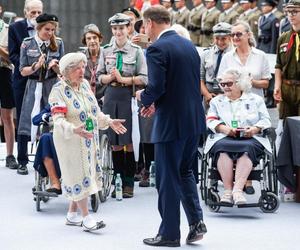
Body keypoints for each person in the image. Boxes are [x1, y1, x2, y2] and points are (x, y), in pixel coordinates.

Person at [136, 6, 207, 247]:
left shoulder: (156, 48)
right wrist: (156, 102)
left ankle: (169, 234)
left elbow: (156, 86)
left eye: (144, 25)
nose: (144, 30)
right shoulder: (189, 45)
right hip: (194, 120)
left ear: (150, 24)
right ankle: (197, 222)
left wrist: (143, 97)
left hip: (171, 124)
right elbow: (183, 84)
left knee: (166, 179)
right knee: (186, 172)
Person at [49, 52, 127, 231]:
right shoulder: (58, 90)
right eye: (77, 68)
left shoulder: (84, 85)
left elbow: (95, 112)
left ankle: (71, 215)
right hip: (70, 140)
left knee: (85, 173)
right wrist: (73, 129)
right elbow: (58, 120)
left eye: (83, 67)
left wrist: (109, 121)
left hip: (88, 138)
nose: (81, 71)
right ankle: (86, 217)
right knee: (78, 175)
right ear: (67, 71)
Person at [97, 13, 148, 198]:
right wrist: (109, 78)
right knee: (114, 141)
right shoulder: (105, 50)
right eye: (115, 28)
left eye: (122, 28)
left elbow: (144, 78)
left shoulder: (136, 51)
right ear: (112, 29)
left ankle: (128, 183)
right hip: (111, 95)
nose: (118, 32)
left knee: (129, 141)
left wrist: (124, 80)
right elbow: (98, 76)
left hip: (128, 96)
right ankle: (117, 179)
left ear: (128, 28)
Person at [206, 68, 272, 204]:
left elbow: (266, 120)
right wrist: (223, 128)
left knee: (247, 149)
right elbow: (210, 120)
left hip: (251, 138)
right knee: (222, 148)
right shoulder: (216, 101)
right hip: (225, 137)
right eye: (222, 84)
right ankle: (228, 191)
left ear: (240, 83)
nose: (225, 87)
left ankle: (237, 191)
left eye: (228, 84)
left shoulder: (255, 99)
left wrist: (254, 129)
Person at [18, 13, 64, 175]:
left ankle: (46, 159)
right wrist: (36, 67)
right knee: (26, 120)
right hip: (33, 84)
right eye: (47, 29)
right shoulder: (27, 43)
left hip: (51, 85)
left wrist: (55, 66)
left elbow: (63, 72)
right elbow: (22, 70)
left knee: (49, 119)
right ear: (38, 28)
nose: (50, 33)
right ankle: (22, 161)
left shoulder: (58, 43)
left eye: (52, 30)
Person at [8, 0, 43, 175]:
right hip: (23, 81)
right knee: (23, 118)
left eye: (39, 12)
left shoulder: (48, 27)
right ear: (26, 12)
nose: (36, 16)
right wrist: (28, 66)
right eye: (33, 12)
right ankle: (22, 160)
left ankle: (44, 159)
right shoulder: (15, 28)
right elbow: (12, 54)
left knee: (45, 119)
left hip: (45, 81)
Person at [218, 21, 271, 98]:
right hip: (233, 104)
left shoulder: (261, 55)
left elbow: (266, 83)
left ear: (249, 35)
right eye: (232, 35)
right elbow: (221, 81)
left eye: (239, 34)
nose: (235, 37)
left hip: (255, 103)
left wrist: (251, 82)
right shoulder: (227, 57)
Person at [274, 0, 300, 119]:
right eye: (288, 11)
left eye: (295, 11)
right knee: (286, 126)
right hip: (286, 88)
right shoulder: (283, 38)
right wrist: (277, 86)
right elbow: (278, 65)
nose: (291, 14)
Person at [0, 16, 19, 170]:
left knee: (7, 115)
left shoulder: (8, 29)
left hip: (4, 71)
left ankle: (10, 155)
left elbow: (12, 57)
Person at [200, 22, 233, 105]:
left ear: (230, 38)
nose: (220, 42)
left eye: (223, 39)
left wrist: (224, 96)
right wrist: (207, 95)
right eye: (217, 38)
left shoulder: (234, 55)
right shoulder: (206, 54)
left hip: (229, 97)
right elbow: (200, 79)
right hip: (209, 97)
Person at [32, 104, 61, 194]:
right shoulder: (56, 102)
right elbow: (35, 120)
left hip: (76, 135)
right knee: (45, 137)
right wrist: (48, 115)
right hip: (57, 137)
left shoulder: (83, 98)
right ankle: (55, 182)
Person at [81, 23, 105, 105]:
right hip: (85, 100)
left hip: (104, 99)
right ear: (85, 41)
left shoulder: (107, 55)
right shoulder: (80, 57)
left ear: (100, 39)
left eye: (95, 37)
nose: (92, 41)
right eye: (88, 38)